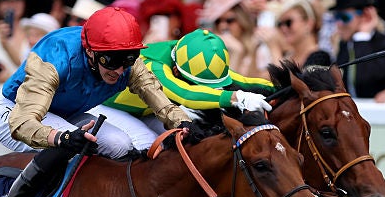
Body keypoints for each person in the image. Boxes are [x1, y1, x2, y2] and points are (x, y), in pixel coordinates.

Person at [0, 6, 194, 197]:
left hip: (66, 112)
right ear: (90, 51)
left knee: (120, 144)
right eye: (111, 61)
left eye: (129, 59)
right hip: (14, 112)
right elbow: (23, 123)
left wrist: (183, 123)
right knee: (66, 145)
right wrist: (61, 137)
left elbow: (156, 96)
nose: (120, 70)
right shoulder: (55, 58)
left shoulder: (121, 55)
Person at [99, 28, 275, 153]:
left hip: (147, 109)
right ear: (176, 71)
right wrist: (237, 97)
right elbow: (185, 94)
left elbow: (242, 80)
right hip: (108, 107)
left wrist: (282, 86)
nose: (205, 90)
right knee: (147, 143)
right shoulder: (154, 66)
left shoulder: (189, 54)